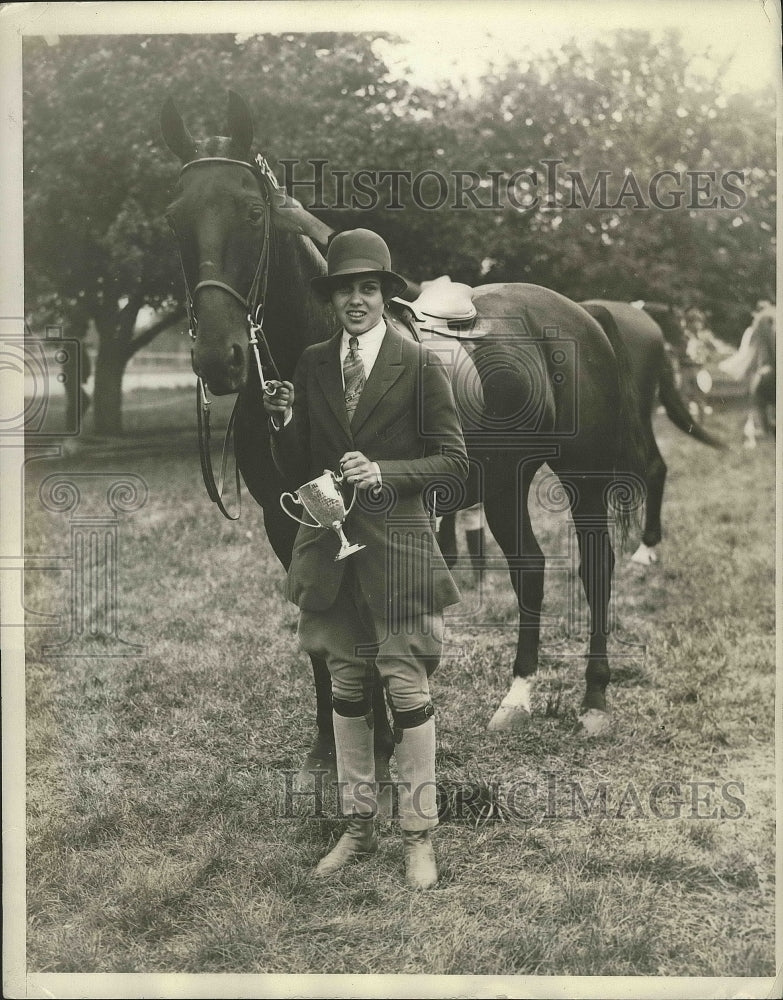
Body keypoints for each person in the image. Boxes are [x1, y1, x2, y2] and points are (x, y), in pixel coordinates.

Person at [263, 229, 468, 888]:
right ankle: (356, 827)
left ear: (384, 295)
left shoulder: (417, 364)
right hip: (330, 547)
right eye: (343, 289)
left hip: (399, 546)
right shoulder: (313, 363)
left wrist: (384, 471)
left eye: (366, 288)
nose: (355, 299)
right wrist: (283, 424)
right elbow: (296, 470)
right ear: (330, 298)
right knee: (346, 688)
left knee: (404, 687)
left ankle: (418, 833)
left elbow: (454, 464)